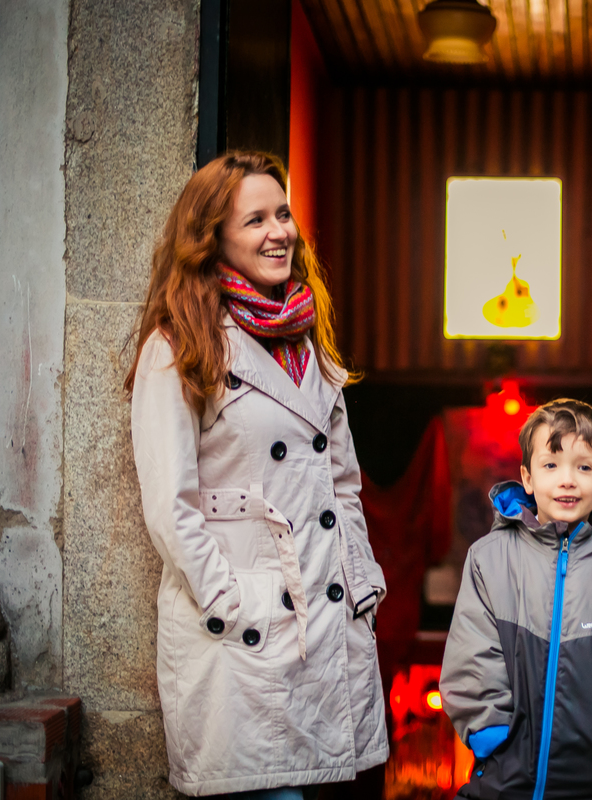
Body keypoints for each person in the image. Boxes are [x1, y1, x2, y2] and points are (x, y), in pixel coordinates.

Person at [126, 151, 389, 798]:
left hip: (329, 628)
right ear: (212, 237)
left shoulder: (309, 340)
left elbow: (344, 485)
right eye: (256, 220)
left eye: (284, 214)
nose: (280, 232)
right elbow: (170, 506)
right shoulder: (179, 345)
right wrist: (231, 601)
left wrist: (360, 580)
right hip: (246, 643)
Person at [439, 399, 592, 800]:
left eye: (584, 468)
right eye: (551, 465)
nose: (567, 480)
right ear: (527, 478)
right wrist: (489, 731)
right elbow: (471, 650)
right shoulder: (489, 559)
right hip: (502, 780)